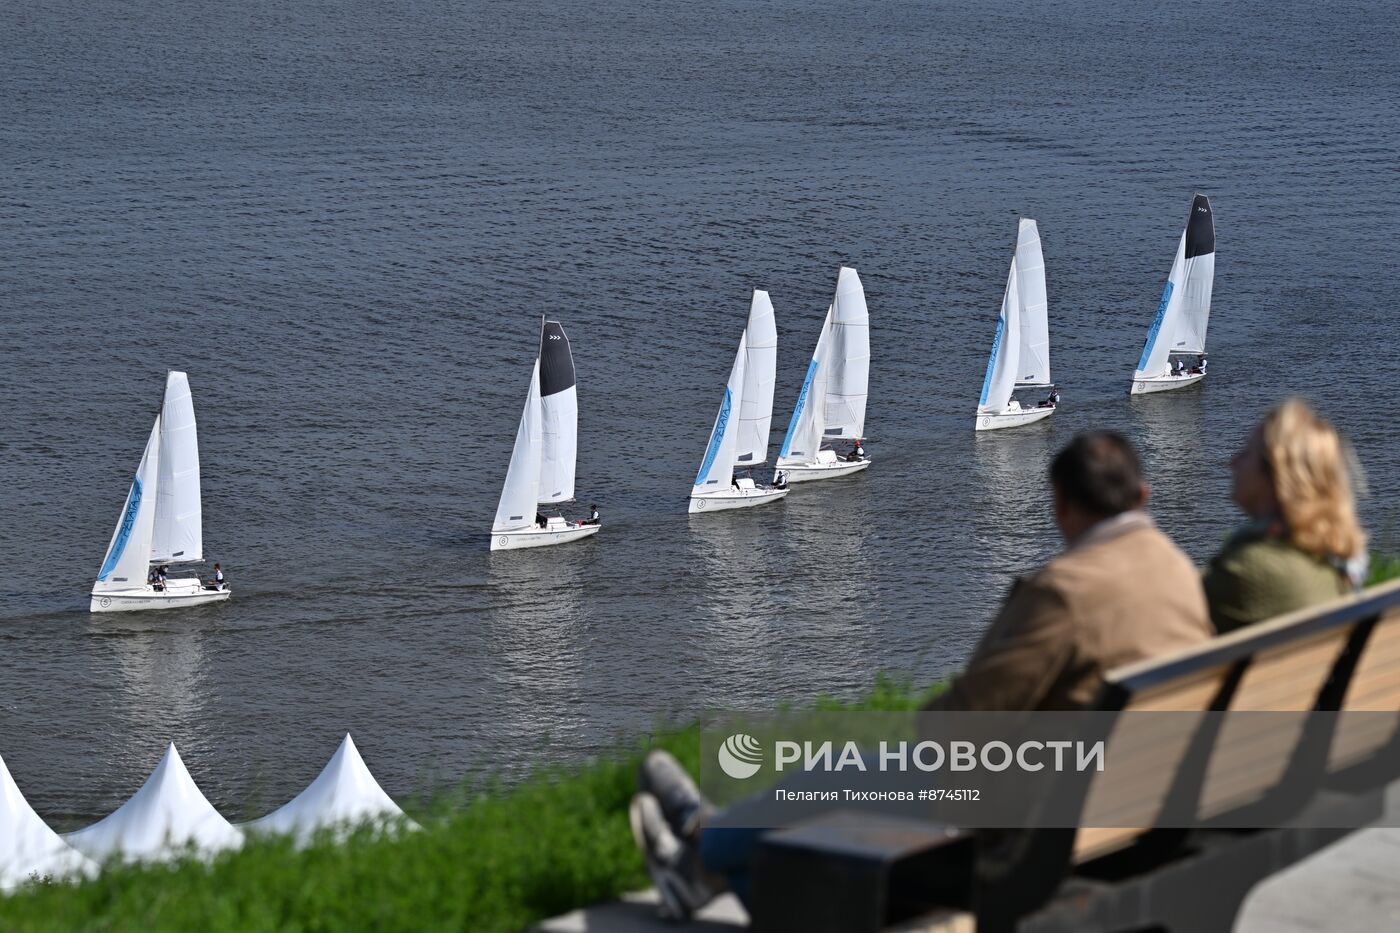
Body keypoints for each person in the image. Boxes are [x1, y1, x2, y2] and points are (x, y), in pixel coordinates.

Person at [629, 432, 1213, 917]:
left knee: (832, 778)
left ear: (1060, 504)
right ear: (1143, 493)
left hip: (1032, 821)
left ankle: (704, 845)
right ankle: (708, 862)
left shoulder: (1066, 591)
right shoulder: (1178, 570)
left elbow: (963, 725)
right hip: (1139, 804)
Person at [1203, 399, 1366, 634]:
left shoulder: (1249, 569)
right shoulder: (1333, 564)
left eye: (1246, 453)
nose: (1233, 462)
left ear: (1275, 476)